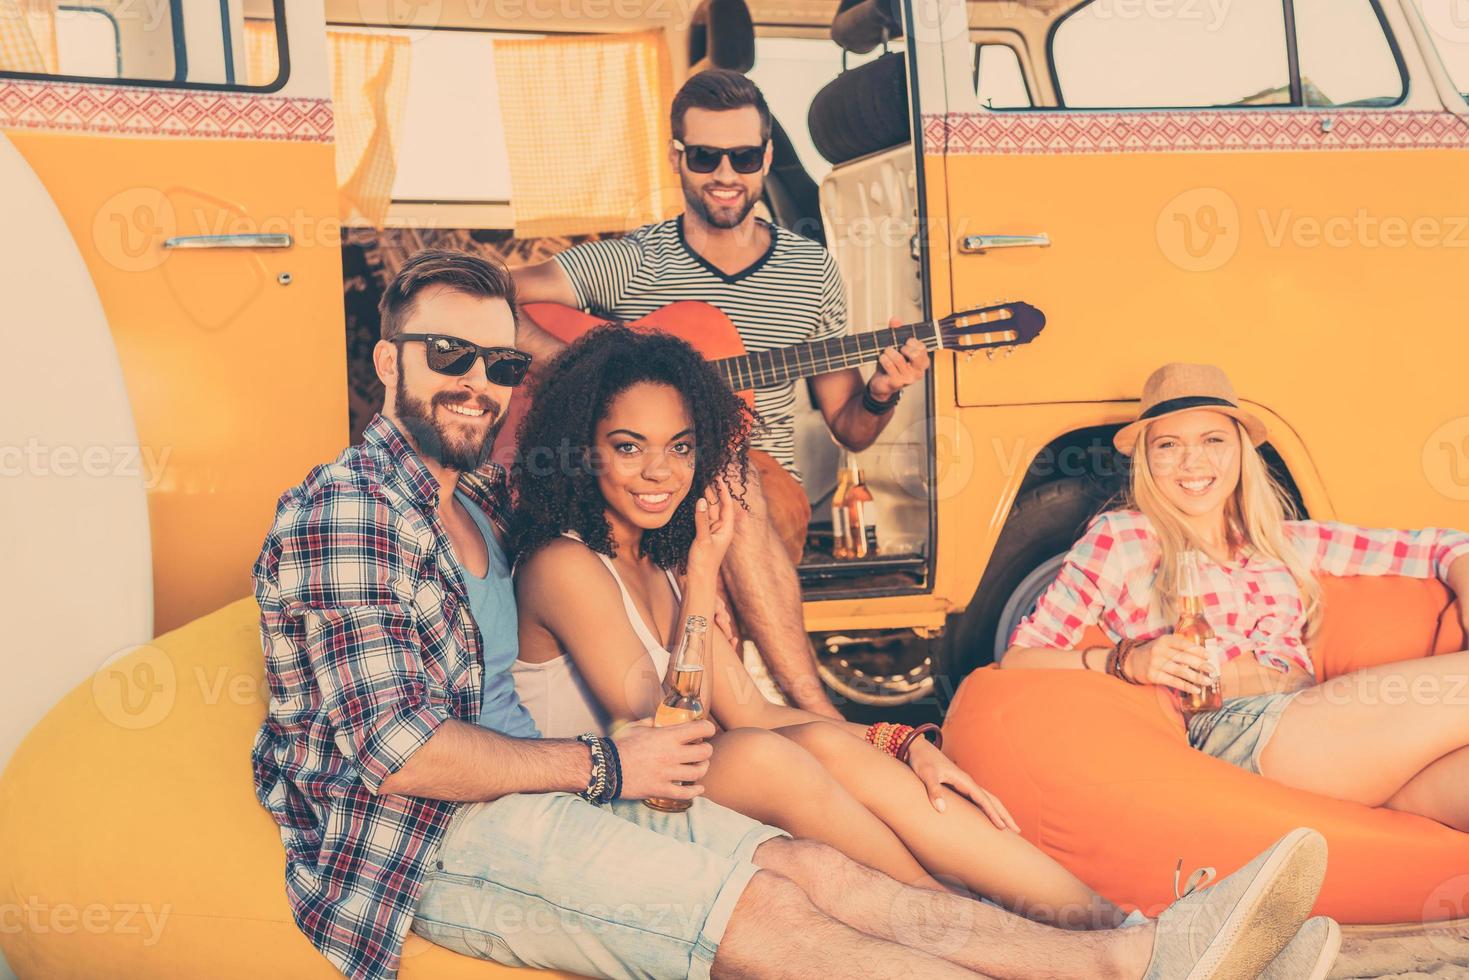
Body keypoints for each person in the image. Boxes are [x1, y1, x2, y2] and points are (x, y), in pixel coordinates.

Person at [253, 252, 1332, 980]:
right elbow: (401, 750)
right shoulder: (353, 507)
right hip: (426, 837)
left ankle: (1131, 946)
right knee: (780, 904)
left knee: (817, 856)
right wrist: (608, 766)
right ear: (385, 360)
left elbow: (702, 685)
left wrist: (903, 733)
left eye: (498, 365)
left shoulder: (477, 500)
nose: (478, 384)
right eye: (448, 356)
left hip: (572, 781)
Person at [510, 68, 933, 719]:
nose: (724, 173)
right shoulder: (635, 261)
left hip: (762, 487)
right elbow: (489, 293)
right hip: (644, 479)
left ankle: (802, 715)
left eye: (742, 156)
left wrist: (880, 391)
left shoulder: (809, 270)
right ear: (678, 158)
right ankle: (751, 735)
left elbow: (849, 426)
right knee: (692, 509)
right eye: (705, 156)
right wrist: (586, 366)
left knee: (725, 480)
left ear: (766, 156)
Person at [1002, 362, 1469, 835]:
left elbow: (1444, 546)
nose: (1193, 462)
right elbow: (1018, 659)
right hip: (1237, 732)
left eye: (1213, 440)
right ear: (1146, 458)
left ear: (1240, 452)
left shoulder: (1283, 541)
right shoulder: (1121, 537)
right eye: (1169, 445)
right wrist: (1125, 661)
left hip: (1323, 728)